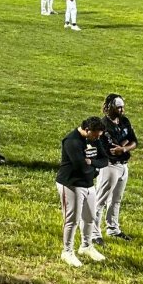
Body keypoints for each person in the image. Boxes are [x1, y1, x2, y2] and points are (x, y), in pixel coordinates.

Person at [56, 116, 107, 267]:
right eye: (96, 135)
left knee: (90, 217)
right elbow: (80, 167)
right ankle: (67, 251)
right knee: (72, 220)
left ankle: (86, 246)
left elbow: (104, 160)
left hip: (88, 184)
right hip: (71, 184)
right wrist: (94, 168)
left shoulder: (94, 138)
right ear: (87, 130)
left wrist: (92, 163)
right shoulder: (72, 141)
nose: (97, 139)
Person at [95, 95, 137, 244]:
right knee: (100, 200)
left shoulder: (124, 121)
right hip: (110, 166)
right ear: (110, 107)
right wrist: (123, 146)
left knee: (116, 200)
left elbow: (134, 141)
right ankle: (94, 234)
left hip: (123, 165)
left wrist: (124, 148)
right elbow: (110, 149)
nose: (122, 109)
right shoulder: (103, 125)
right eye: (118, 107)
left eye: (122, 106)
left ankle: (113, 228)